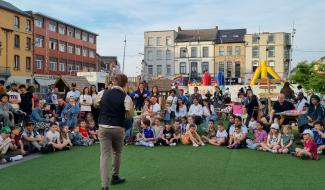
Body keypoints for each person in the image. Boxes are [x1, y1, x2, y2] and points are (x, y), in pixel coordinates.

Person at [96, 74, 133, 189]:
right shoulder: (126, 97)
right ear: (125, 84)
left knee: (104, 155)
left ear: (114, 82)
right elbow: (129, 114)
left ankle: (104, 186)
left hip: (103, 126)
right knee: (117, 153)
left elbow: (96, 104)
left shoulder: (102, 93)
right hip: (118, 127)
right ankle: (115, 177)